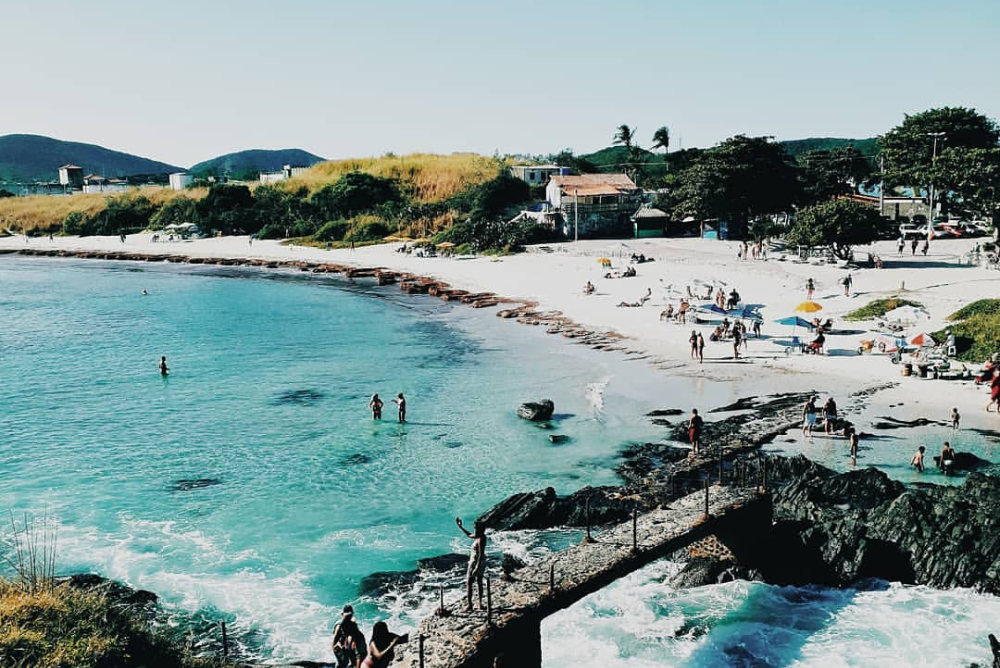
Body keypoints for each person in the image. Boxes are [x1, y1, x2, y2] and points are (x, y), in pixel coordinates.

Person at [456, 516, 487, 611]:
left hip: (476, 563)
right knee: (479, 582)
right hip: (478, 562)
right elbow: (469, 535)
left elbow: (481, 554)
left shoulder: (481, 539)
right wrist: (460, 526)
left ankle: (470, 605)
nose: (474, 528)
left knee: (469, 583)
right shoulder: (479, 536)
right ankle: (479, 604)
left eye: (475, 527)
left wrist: (476, 567)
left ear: (479, 529)